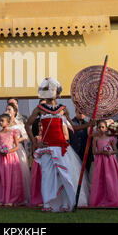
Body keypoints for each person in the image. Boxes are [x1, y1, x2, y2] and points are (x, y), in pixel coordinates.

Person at [26, 77, 91, 212]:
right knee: (47, 176)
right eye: (47, 90)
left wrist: (90, 124)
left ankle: (67, 204)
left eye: (52, 90)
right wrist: (35, 142)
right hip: (46, 148)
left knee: (65, 176)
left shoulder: (63, 109)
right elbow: (28, 125)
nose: (50, 93)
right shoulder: (39, 109)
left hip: (61, 148)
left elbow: (73, 127)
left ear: (58, 93)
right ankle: (48, 205)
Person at [90, 120, 118, 207]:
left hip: (109, 161)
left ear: (106, 128)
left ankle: (113, 199)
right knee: (100, 179)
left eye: (102, 127)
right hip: (100, 161)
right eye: (99, 127)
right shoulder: (95, 138)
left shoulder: (110, 138)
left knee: (110, 179)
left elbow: (115, 150)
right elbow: (94, 152)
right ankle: (100, 199)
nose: (100, 129)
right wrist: (102, 152)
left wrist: (110, 152)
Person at [0, 113, 24, 206]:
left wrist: (8, 151)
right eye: (0, 120)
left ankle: (11, 198)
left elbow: (17, 146)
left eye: (2, 121)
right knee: (0, 177)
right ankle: (0, 198)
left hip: (10, 157)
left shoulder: (12, 132)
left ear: (8, 122)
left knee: (10, 178)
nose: (0, 122)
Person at [4, 103, 31, 204]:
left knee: (18, 173)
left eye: (9, 110)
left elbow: (25, 136)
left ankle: (19, 196)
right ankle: (8, 196)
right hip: (6, 150)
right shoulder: (3, 123)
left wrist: (15, 141)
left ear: (15, 112)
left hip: (17, 150)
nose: (7, 112)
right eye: (6, 109)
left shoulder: (19, 124)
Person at [69, 108, 93, 172]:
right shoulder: (70, 123)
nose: (82, 114)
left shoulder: (89, 124)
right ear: (76, 112)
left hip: (86, 153)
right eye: (80, 112)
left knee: (86, 173)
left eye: (84, 113)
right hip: (75, 152)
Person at [30, 120, 43, 207]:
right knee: (38, 179)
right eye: (39, 126)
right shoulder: (37, 138)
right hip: (38, 162)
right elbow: (33, 150)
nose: (41, 127)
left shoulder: (49, 137)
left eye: (42, 125)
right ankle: (37, 198)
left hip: (46, 161)